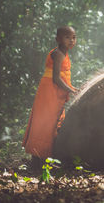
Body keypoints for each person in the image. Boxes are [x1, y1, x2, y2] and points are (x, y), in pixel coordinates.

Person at [22, 26, 77, 169]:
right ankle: (37, 160)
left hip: (55, 91)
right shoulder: (58, 53)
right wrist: (71, 90)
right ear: (58, 39)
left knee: (53, 122)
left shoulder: (64, 53)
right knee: (45, 122)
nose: (71, 40)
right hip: (50, 91)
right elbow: (56, 79)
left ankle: (46, 158)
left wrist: (71, 89)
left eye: (73, 37)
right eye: (67, 37)